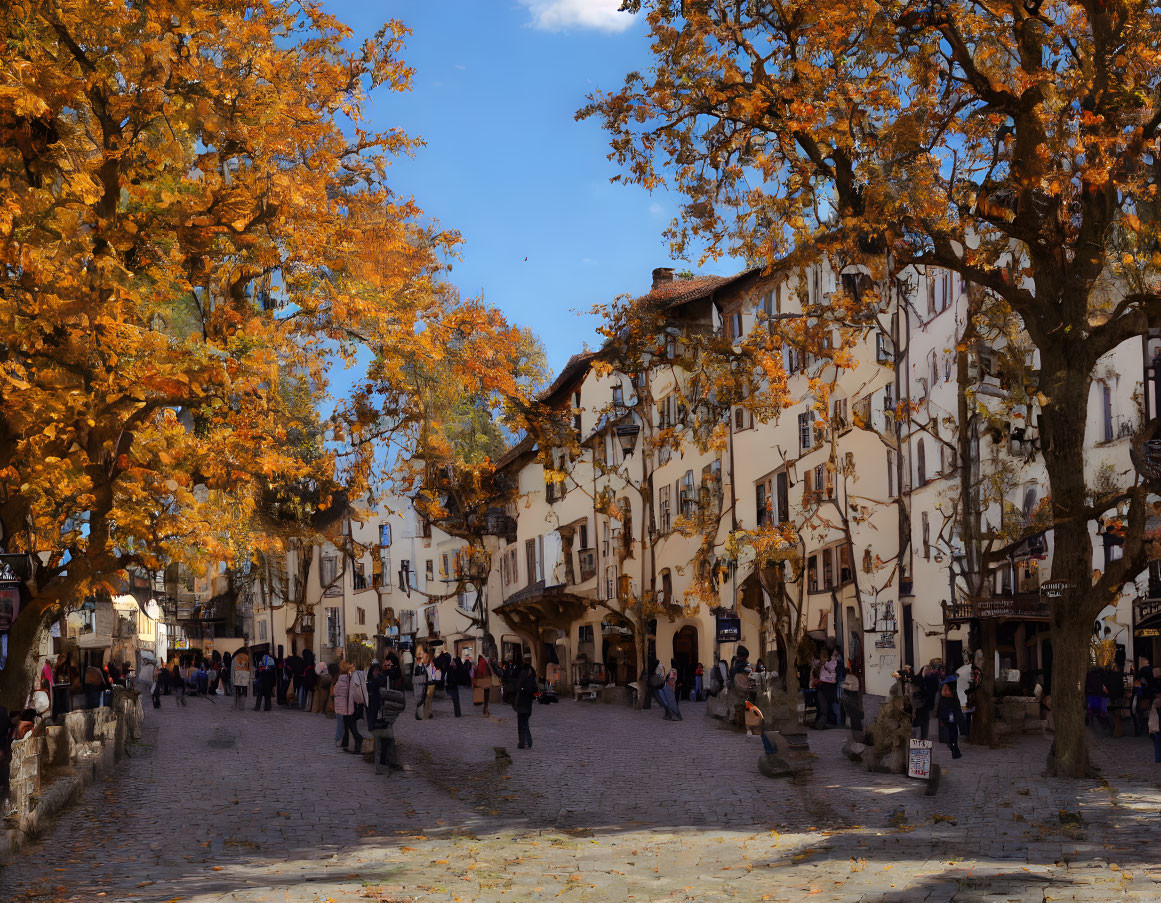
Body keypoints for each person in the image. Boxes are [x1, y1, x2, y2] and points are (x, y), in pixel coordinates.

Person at [937, 674, 965, 759]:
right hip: (949, 713)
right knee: (952, 731)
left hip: (950, 713)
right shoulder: (947, 688)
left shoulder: (949, 688)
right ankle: (954, 749)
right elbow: (947, 698)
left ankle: (954, 747)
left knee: (953, 730)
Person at [513, 656, 538, 749]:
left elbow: (516, 686)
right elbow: (534, 690)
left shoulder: (521, 674)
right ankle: (526, 741)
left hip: (521, 703)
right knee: (525, 722)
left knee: (522, 723)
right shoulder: (530, 676)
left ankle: (524, 741)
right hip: (527, 703)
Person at [814, 649, 838, 730]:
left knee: (824, 707)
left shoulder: (827, 664)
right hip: (826, 687)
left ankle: (821, 724)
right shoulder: (826, 664)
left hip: (825, 687)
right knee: (824, 707)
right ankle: (821, 724)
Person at [1148, 696, 1160, 764]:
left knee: (1157, 743)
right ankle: (1158, 759)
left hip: (1156, 727)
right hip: (1157, 728)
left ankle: (1158, 759)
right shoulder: (1156, 703)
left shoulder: (1154, 704)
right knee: (1157, 742)